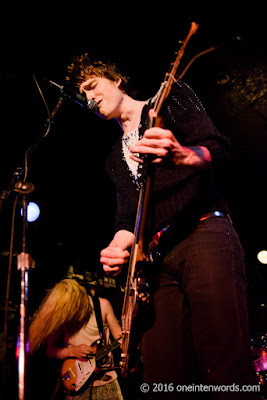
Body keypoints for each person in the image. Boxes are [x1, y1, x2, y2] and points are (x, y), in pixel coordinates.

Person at [66, 57, 259, 399]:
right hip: (155, 261)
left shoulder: (169, 99)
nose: (90, 98)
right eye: (83, 96)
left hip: (203, 234)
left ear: (115, 79)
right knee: (162, 375)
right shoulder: (113, 158)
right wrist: (116, 246)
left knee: (224, 363)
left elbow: (217, 148)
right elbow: (128, 219)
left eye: (92, 86)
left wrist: (183, 154)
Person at [29, 278, 124, 400]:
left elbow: (120, 336)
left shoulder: (102, 305)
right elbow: (50, 351)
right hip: (76, 381)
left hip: (105, 378)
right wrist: (72, 351)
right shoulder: (63, 313)